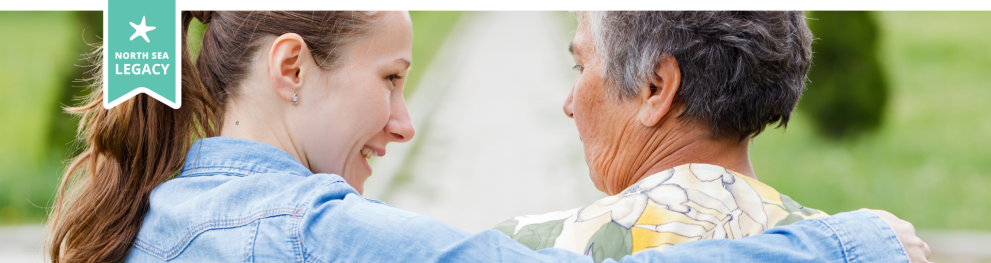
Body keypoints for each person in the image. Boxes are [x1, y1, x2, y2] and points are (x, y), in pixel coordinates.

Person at [46, 11, 927, 263]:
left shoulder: (154, 213)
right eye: (390, 78)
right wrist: (854, 240)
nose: (404, 119)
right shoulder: (307, 232)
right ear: (289, 68)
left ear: (657, 89)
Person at [492, 10, 931, 263]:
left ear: (655, 87)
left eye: (581, 67)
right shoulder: (876, 249)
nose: (569, 103)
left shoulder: (525, 248)